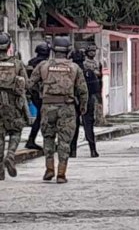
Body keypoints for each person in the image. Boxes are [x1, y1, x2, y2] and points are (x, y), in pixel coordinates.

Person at [29, 36, 88, 184]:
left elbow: (30, 84)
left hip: (47, 106)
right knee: (64, 141)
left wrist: (41, 93)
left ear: (53, 50)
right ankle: (61, 173)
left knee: (48, 138)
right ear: (68, 51)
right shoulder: (75, 68)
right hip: (67, 108)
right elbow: (83, 90)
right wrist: (83, 106)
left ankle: (49, 168)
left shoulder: (43, 66)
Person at [0, 33, 28, 181]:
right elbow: (26, 85)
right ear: (9, 46)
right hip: (13, 104)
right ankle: (10, 154)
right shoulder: (17, 64)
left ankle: (0, 173)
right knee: (16, 131)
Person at [25, 42, 50, 150]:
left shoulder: (31, 62)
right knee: (43, 118)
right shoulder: (46, 64)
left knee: (41, 117)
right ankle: (32, 140)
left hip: (33, 93)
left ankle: (32, 139)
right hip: (42, 94)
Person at [84, 43, 104, 126]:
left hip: (97, 85)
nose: (92, 53)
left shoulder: (97, 62)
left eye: (94, 51)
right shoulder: (85, 62)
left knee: (98, 102)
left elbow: (100, 73)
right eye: (90, 51)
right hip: (88, 85)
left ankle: (99, 119)